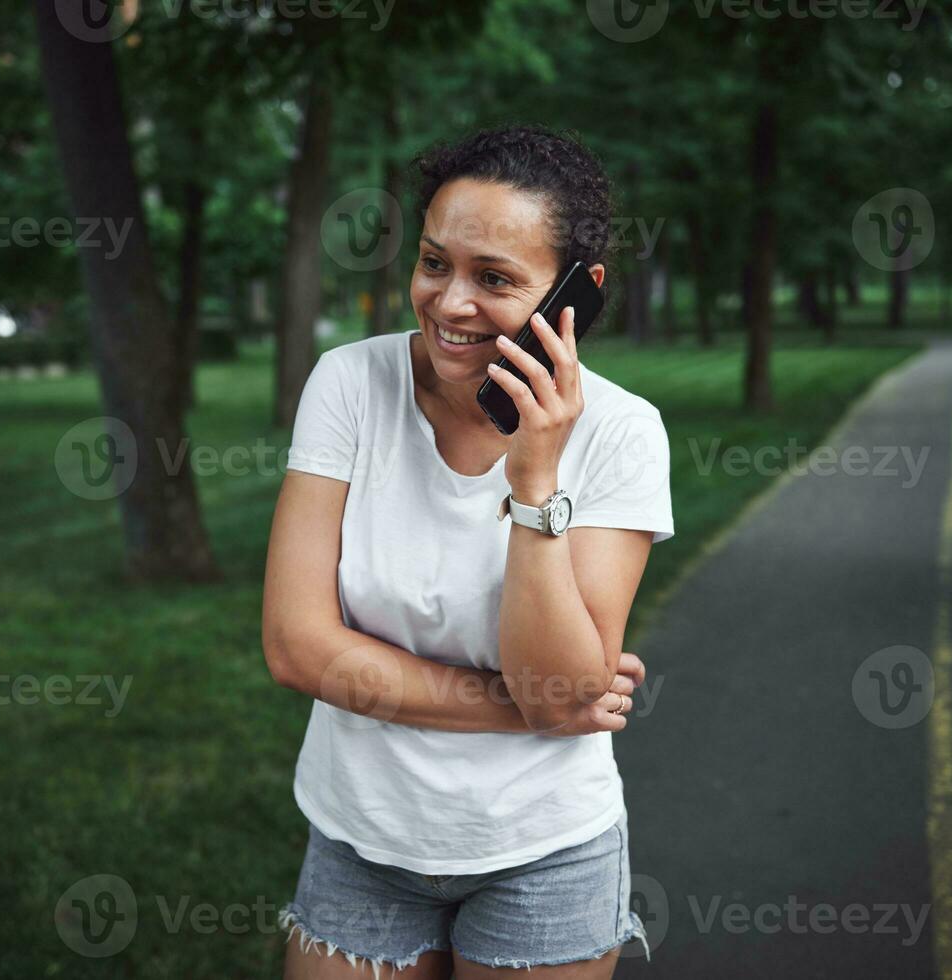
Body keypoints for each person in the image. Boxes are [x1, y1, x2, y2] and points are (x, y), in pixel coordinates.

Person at [262, 124, 674, 979]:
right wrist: (529, 711)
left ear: (576, 293)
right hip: (359, 837)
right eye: (433, 262)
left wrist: (534, 480)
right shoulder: (349, 384)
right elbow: (297, 647)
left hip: (543, 848)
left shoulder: (625, 433)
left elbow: (557, 681)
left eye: (493, 279)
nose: (450, 303)